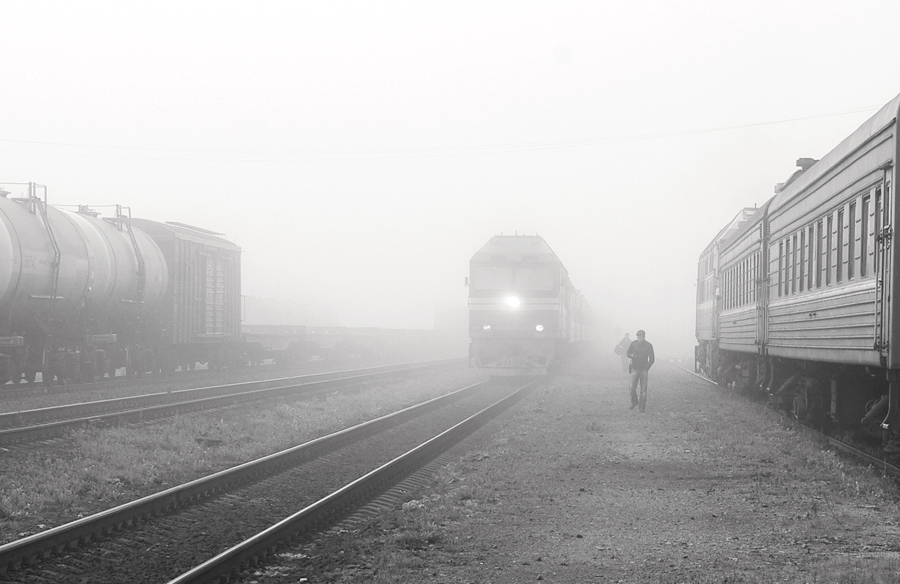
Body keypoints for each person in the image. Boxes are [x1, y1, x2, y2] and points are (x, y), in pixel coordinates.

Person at [626, 329, 655, 411]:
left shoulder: (648, 345)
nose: (639, 339)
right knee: (632, 388)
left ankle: (642, 407)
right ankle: (634, 401)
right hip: (634, 368)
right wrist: (632, 355)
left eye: (640, 338)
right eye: (638, 338)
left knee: (643, 390)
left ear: (644, 337)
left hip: (643, 370)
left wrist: (646, 368)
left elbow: (652, 358)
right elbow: (628, 353)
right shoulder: (633, 344)